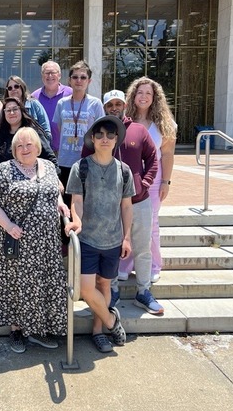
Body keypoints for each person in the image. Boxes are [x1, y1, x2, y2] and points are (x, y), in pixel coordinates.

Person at [0, 127, 69, 353]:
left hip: (47, 243)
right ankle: (16, 330)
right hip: (18, 241)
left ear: (38, 146)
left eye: (29, 144)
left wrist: (60, 203)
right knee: (17, 285)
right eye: (19, 145)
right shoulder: (5, 170)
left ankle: (38, 330)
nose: (24, 149)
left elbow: (54, 191)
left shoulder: (49, 166)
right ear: (13, 149)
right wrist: (9, 226)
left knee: (44, 283)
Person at [82, 90, 162, 315]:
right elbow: (84, 165)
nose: (114, 107)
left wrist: (145, 183)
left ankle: (143, 291)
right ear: (105, 107)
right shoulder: (98, 132)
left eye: (118, 103)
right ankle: (112, 290)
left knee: (142, 247)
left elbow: (152, 159)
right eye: (110, 104)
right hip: (109, 206)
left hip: (139, 202)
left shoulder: (138, 130)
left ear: (124, 105)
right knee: (111, 249)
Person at [65, 116, 134, 354]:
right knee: (86, 288)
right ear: (93, 139)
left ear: (116, 140)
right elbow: (77, 201)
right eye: (100, 135)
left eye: (110, 135)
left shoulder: (124, 171)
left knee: (104, 285)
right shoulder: (80, 167)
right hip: (88, 239)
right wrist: (77, 220)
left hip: (113, 240)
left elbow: (126, 206)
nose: (105, 139)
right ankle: (112, 321)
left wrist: (127, 238)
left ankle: (99, 331)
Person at [124, 77, 177, 284]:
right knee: (127, 221)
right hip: (130, 180)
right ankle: (126, 264)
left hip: (153, 181)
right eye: (140, 93)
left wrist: (166, 181)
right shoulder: (126, 120)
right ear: (133, 96)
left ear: (155, 97)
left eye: (148, 93)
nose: (144, 96)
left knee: (151, 223)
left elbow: (168, 155)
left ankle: (154, 264)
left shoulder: (165, 124)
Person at [53, 60, 105, 200]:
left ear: (89, 81)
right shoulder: (62, 103)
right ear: (69, 80)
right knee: (66, 202)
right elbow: (60, 128)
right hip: (65, 161)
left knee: (86, 202)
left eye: (83, 77)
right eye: (75, 77)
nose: (79, 80)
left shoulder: (95, 103)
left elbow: (100, 132)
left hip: (87, 161)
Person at [0, 97, 59, 176]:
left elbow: (50, 159)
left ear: (21, 111)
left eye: (15, 109)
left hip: (30, 184)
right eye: (8, 110)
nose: (11, 113)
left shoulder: (32, 133)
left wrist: (55, 179)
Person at [31, 60, 73, 153]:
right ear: (42, 76)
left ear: (59, 75)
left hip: (66, 149)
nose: (50, 76)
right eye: (47, 73)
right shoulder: (34, 97)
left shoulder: (71, 94)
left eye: (53, 72)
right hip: (43, 151)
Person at [4, 76, 51, 141]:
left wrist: (42, 147)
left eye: (16, 86)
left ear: (22, 87)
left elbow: (46, 130)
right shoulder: (5, 108)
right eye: (10, 88)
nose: (13, 89)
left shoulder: (34, 104)